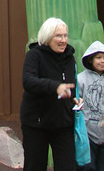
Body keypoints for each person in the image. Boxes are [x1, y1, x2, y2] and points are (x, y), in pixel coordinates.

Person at [20, 17, 80, 171]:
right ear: (47, 37)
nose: (63, 40)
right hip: (36, 123)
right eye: (58, 36)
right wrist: (55, 86)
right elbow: (28, 81)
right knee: (35, 166)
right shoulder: (34, 55)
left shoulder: (70, 57)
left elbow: (70, 85)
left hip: (63, 123)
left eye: (65, 35)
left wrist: (74, 99)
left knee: (68, 167)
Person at [77, 41, 104, 171]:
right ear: (90, 60)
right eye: (99, 57)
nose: (102, 61)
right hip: (87, 133)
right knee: (88, 166)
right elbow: (75, 101)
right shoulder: (81, 79)